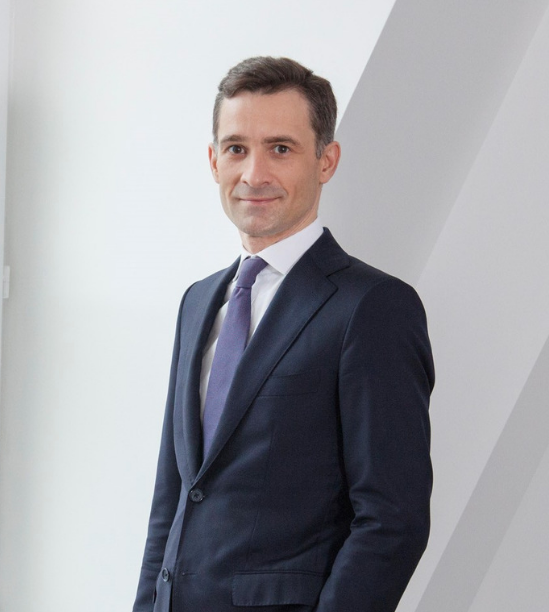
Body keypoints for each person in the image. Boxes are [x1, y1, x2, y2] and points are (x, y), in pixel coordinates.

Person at [133, 56, 434, 612]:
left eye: (280, 148)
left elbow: (393, 520)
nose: (254, 175)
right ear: (213, 160)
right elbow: (172, 498)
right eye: (236, 148)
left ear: (326, 161)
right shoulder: (198, 302)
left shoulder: (371, 308)